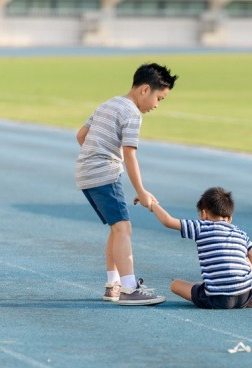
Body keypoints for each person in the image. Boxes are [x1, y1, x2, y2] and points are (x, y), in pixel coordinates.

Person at [75, 63, 178, 306]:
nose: (156, 105)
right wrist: (141, 192)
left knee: (116, 227)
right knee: (124, 229)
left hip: (85, 173)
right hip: (103, 174)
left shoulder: (109, 103)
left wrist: (95, 156)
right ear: (145, 90)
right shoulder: (132, 113)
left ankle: (114, 284)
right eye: (159, 98)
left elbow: (81, 135)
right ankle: (130, 288)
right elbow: (130, 154)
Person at [140, 187, 252, 309]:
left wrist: (152, 204)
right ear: (229, 218)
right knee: (245, 260)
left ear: (204, 214)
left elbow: (167, 221)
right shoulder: (241, 233)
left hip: (219, 300)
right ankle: (239, 290)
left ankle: (215, 287)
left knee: (175, 284)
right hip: (245, 296)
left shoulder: (201, 227)